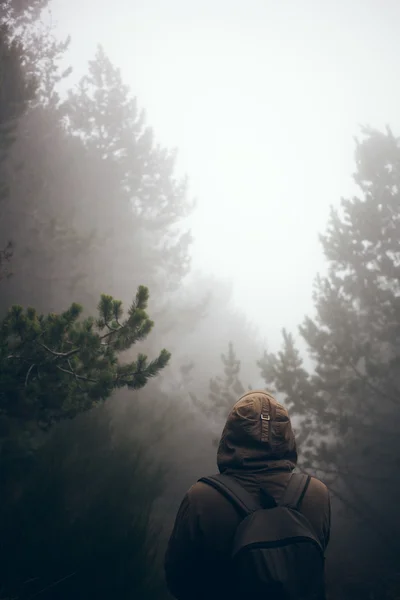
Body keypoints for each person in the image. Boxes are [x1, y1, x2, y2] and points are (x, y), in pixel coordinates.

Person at [164, 390, 331, 600]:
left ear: (231, 434)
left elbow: (178, 580)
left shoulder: (200, 499)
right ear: (286, 435)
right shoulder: (316, 493)